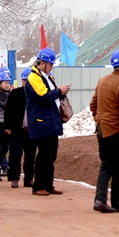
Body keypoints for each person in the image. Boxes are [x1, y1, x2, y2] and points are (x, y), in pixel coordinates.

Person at [90, 49, 119, 213]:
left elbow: (93, 105)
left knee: (106, 165)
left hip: (102, 129)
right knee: (118, 167)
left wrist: (99, 118)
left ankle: (99, 199)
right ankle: (116, 202)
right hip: (117, 130)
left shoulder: (102, 80)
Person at [25, 49, 70, 197]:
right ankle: (38, 186)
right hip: (41, 122)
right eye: (50, 64)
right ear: (42, 63)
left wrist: (60, 93)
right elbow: (43, 96)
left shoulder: (48, 77)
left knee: (51, 155)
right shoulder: (34, 78)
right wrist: (59, 91)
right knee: (43, 155)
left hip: (50, 120)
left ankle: (48, 184)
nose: (51, 67)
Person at [5, 68, 36, 188]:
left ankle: (28, 179)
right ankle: (14, 178)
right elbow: (8, 111)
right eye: (24, 80)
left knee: (30, 156)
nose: (26, 82)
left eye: (28, 80)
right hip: (17, 130)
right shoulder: (15, 93)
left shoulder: (36, 95)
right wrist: (7, 126)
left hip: (31, 130)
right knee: (15, 155)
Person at [0, 71, 12, 182]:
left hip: (10, 123)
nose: (7, 85)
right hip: (1, 123)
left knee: (13, 147)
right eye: (5, 83)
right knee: (3, 148)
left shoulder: (10, 93)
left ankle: (10, 170)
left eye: (8, 82)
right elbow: (5, 105)